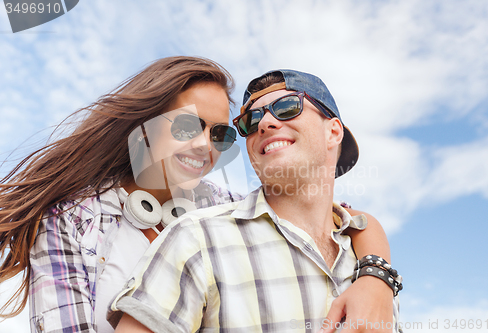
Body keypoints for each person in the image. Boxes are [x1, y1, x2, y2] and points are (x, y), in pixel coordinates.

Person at [0, 58, 394, 333]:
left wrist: (376, 278)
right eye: (189, 125)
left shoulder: (220, 207)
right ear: (145, 124)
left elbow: (343, 218)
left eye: (221, 134)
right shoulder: (70, 219)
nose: (207, 146)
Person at [109, 69, 402, 333]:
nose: (265, 123)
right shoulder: (196, 239)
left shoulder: (371, 271)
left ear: (333, 132)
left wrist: (377, 276)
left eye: (287, 107)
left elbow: (358, 220)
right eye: (251, 120)